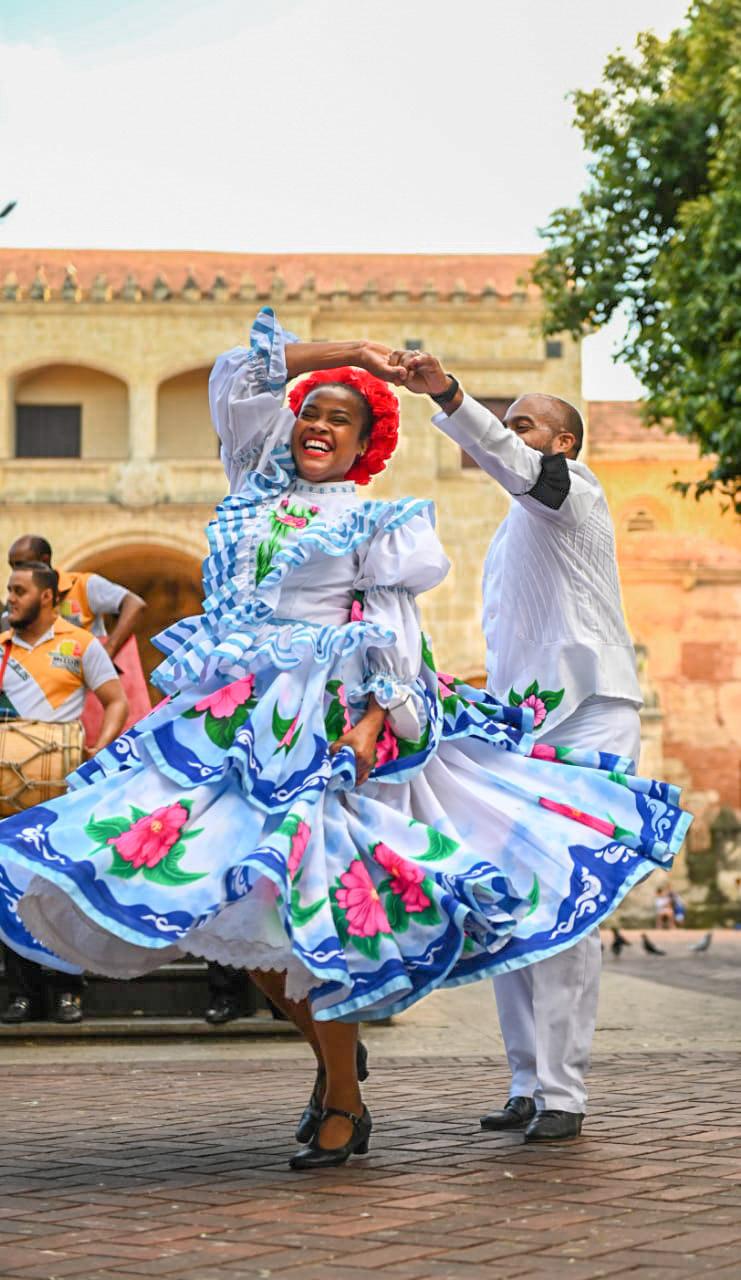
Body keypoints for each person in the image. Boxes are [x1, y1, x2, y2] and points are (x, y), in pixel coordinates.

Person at [0, 310, 690, 1166]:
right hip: (225, 720)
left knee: (322, 905)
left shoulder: (397, 517)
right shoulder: (252, 479)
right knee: (220, 906)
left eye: (342, 416)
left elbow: (391, 626)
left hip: (323, 725)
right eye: (309, 411)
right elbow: (234, 374)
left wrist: (373, 720)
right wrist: (349, 357)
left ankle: (384, 1094)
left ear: (366, 442)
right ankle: (365, 1063)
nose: (318, 424)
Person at [387, 346, 648, 1142]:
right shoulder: (510, 535)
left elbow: (515, 466)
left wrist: (447, 394)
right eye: (506, 425)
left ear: (562, 443)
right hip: (524, 730)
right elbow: (527, 644)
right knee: (508, 904)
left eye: (524, 424)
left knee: (565, 906)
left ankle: (563, 1094)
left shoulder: (574, 495)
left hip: (592, 717)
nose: (508, 434)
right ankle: (526, 1081)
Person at [0, 562, 127, 1023]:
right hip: (9, 791)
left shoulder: (79, 643)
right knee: (9, 888)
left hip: (60, 787)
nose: (10, 598)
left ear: (49, 597)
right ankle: (21, 991)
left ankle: (67, 989)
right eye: (9, 590)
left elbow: (117, 701)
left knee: (59, 887)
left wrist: (100, 747)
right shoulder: (3, 648)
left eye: (19, 590)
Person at [7, 536, 150, 738]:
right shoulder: (19, 608)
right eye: (12, 566)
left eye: (22, 564)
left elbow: (134, 604)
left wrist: (108, 650)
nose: (16, 572)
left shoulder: (83, 585)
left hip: (89, 683)